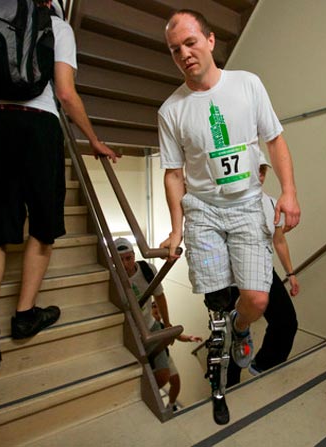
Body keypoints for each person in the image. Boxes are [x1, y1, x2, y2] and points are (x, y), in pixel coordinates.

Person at [0, 0, 120, 374]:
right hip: (37, 123)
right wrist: (94, 139)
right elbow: (65, 93)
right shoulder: (56, 26)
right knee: (44, 224)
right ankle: (24, 314)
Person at [158, 9, 300, 422]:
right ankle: (220, 385)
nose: (184, 54)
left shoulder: (247, 84)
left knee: (257, 298)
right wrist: (175, 229)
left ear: (210, 40)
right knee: (217, 303)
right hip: (203, 210)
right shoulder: (171, 110)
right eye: (175, 49)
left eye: (190, 43)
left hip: (247, 206)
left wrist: (289, 192)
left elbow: (274, 140)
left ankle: (241, 327)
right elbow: (173, 173)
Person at [227, 153, 300, 387]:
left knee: (286, 322)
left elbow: (279, 240)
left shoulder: (271, 203)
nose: (259, 175)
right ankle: (231, 387)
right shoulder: (228, 202)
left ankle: (263, 367)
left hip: (264, 271)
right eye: (255, 169)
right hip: (233, 278)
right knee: (234, 334)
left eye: (263, 170)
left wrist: (291, 273)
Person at [114, 237, 175, 391]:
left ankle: (146, 394)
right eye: (120, 260)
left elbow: (159, 296)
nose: (125, 264)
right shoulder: (113, 277)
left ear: (134, 256)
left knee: (163, 375)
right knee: (133, 374)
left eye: (128, 258)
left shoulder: (148, 270)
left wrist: (167, 324)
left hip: (150, 326)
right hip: (129, 333)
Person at [151, 300, 202, 412]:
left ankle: (171, 406)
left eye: (158, 307)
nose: (157, 309)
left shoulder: (164, 325)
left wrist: (190, 338)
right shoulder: (147, 328)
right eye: (154, 307)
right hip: (153, 359)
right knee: (156, 384)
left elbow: (178, 335)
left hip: (166, 356)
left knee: (176, 382)